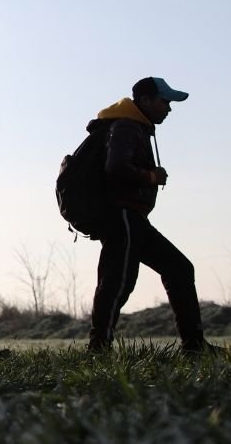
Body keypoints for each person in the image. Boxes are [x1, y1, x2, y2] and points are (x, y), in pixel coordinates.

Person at [87, 77, 213, 354]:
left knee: (179, 269)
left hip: (133, 218)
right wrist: (151, 176)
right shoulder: (126, 127)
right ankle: (98, 349)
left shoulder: (135, 127)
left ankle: (194, 346)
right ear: (144, 100)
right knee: (118, 282)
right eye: (164, 101)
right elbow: (115, 168)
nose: (168, 108)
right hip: (122, 216)